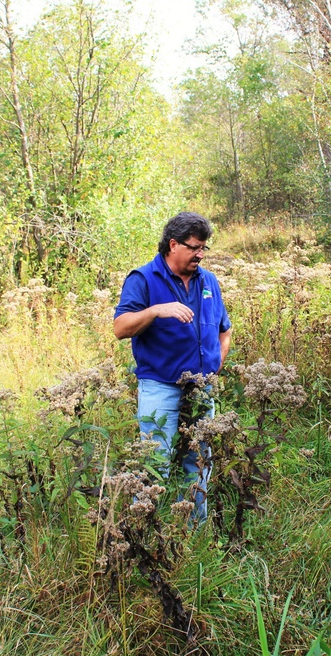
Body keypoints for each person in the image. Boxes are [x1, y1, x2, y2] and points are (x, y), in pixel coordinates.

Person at [113, 212, 232, 520]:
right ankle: (143, 532)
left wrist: (215, 366)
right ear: (173, 244)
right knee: (155, 462)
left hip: (202, 389)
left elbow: (224, 328)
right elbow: (121, 328)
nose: (201, 254)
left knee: (199, 460)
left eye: (204, 247)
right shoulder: (143, 279)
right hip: (160, 386)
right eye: (194, 247)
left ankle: (194, 532)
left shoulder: (208, 281)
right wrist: (155, 311)